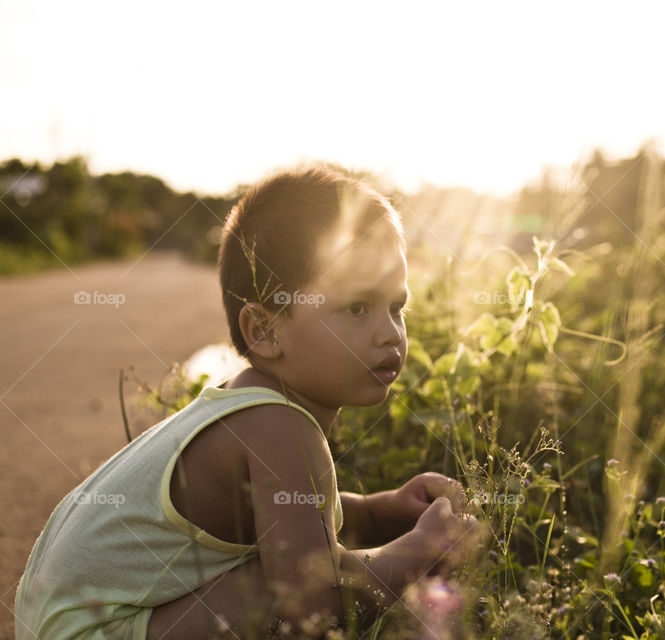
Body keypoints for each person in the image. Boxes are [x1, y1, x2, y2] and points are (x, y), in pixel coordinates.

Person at [14, 166, 482, 639]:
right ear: (266, 330)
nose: (389, 333)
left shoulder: (251, 406)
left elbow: (295, 512)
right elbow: (312, 604)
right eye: (357, 308)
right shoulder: (279, 426)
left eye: (396, 307)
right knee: (278, 586)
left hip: (60, 618)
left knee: (285, 558)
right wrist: (420, 550)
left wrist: (381, 511)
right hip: (93, 629)